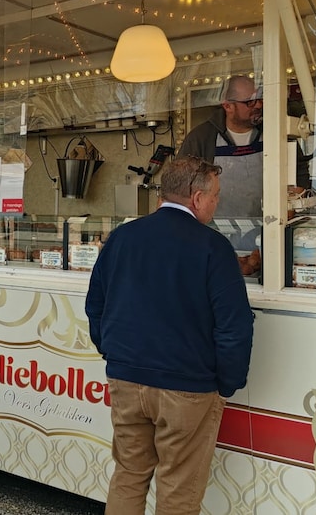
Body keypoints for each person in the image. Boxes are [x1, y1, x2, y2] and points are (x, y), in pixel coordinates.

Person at [85, 156, 255, 515]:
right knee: (179, 489)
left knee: (129, 475)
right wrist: (227, 383)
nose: (216, 203)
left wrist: (113, 353)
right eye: (215, 196)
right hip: (188, 386)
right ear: (197, 197)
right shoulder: (213, 247)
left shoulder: (122, 237)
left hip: (126, 378)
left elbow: (95, 305)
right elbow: (234, 326)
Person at [179, 75, 264, 220]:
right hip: (214, 228)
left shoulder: (274, 133)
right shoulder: (201, 138)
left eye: (260, 99)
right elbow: (179, 187)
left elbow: (299, 174)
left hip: (268, 227)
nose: (258, 106)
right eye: (250, 102)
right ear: (228, 106)